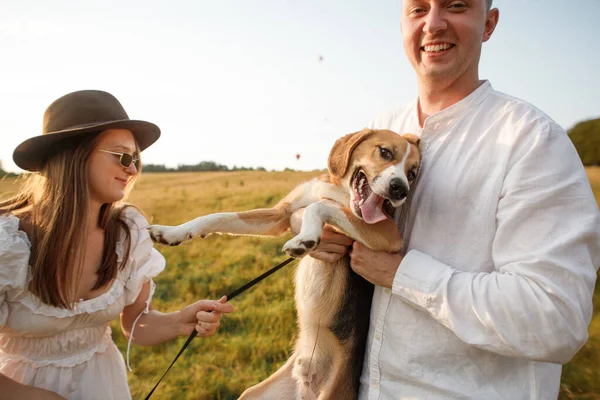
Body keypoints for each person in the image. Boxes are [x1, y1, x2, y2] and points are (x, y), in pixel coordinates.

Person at [301, 0, 600, 398]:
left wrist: (403, 275)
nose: (434, 24)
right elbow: (330, 200)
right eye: (418, 9)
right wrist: (321, 229)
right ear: (403, 23)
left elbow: (555, 319)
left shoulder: (532, 141)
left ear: (489, 23)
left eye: (456, 6)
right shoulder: (384, 126)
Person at [0, 90, 234, 399]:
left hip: (103, 386)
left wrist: (179, 322)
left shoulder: (127, 234)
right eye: (122, 156)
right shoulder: (9, 244)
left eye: (136, 159)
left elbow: (135, 325)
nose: (133, 170)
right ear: (74, 154)